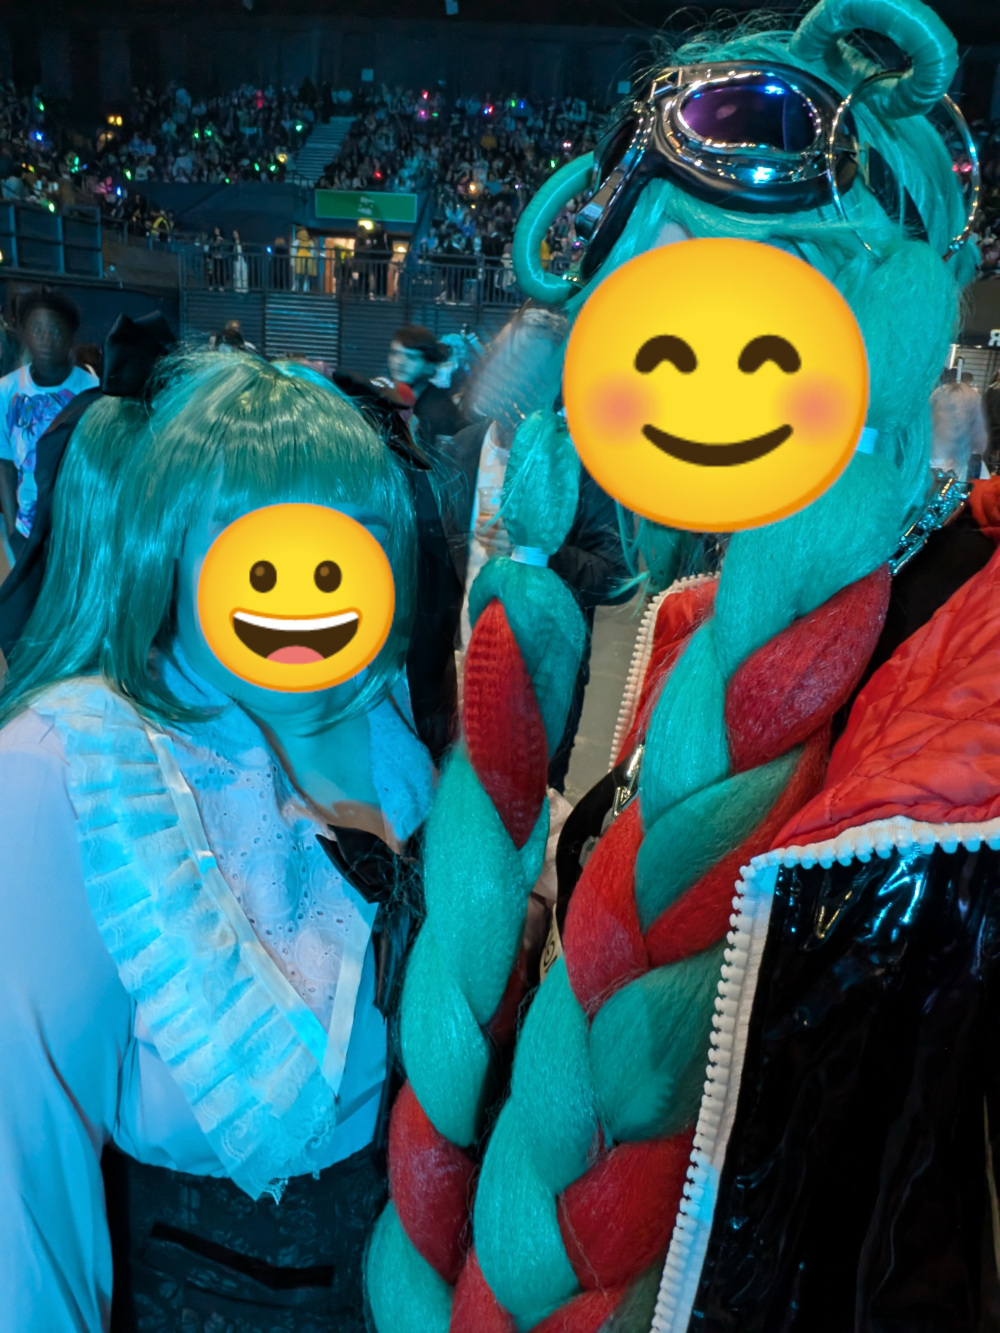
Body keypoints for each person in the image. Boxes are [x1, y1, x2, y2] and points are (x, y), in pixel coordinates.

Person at [365, 0, 993, 1329]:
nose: (701, 382)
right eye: (656, 324)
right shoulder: (690, 627)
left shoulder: (959, 683)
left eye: (766, 325)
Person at [0, 350, 435, 1331]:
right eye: (258, 551)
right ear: (171, 543)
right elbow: (21, 1190)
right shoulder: (73, 768)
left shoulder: (391, 729)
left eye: (346, 548)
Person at [0, 288, 98, 562]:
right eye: (36, 329)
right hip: (27, 530)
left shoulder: (93, 391)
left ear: (70, 336)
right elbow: (4, 464)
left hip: (78, 529)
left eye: (55, 330)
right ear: (24, 334)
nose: (46, 339)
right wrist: (12, 531)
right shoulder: (6, 391)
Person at [386, 324, 463, 455]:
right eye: (395, 354)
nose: (399, 362)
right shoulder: (388, 394)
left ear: (429, 365)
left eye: (411, 357)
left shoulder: (441, 412)